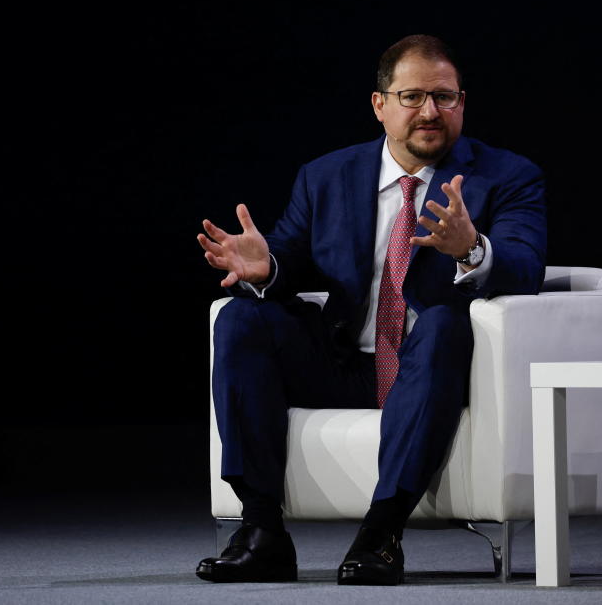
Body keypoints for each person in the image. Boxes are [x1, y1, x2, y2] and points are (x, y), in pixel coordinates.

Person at [194, 34, 547, 586]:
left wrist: (470, 249)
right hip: (344, 362)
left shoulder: (507, 176)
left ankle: (381, 534)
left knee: (440, 321)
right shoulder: (326, 176)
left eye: (445, 97)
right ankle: (261, 532)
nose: (430, 112)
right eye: (412, 97)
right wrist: (267, 270)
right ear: (380, 105)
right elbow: (289, 256)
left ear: (462, 103)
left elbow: (525, 267)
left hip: (433, 368)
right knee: (240, 316)